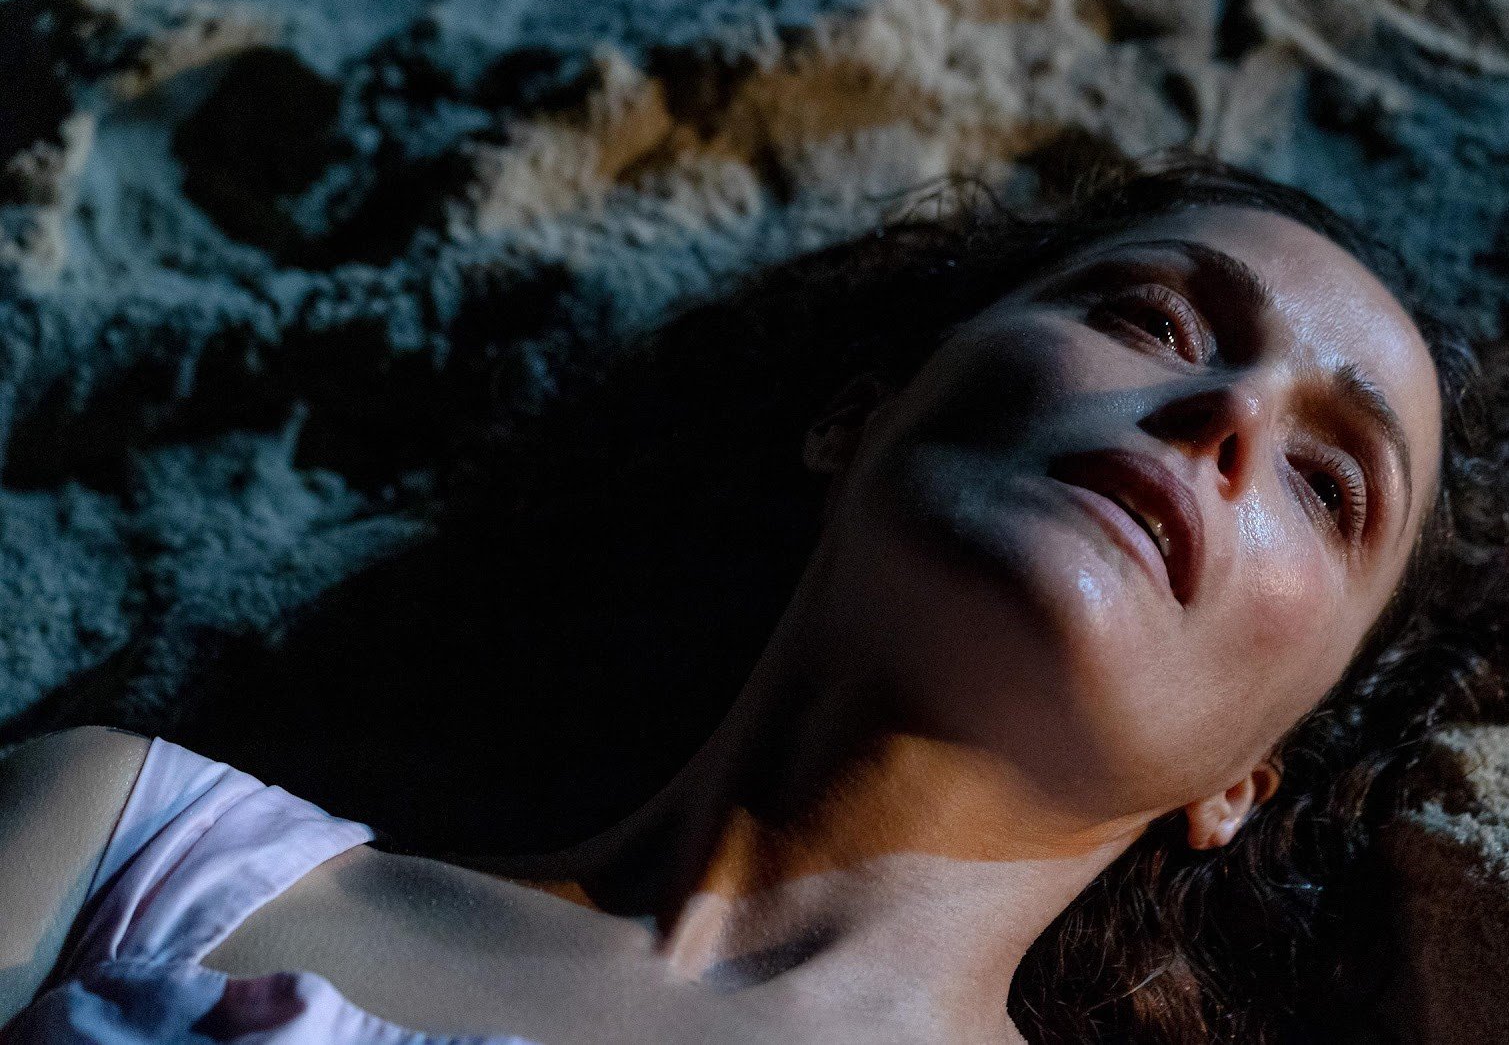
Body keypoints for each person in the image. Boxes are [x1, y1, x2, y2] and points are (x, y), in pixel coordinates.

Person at [0, 155, 1500, 1044]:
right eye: (1152, 318)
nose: (1229, 413)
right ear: (859, 416)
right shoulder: (131, 838)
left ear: (1243, 781)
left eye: (1329, 484)